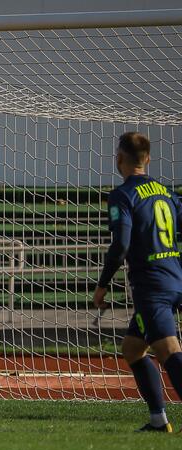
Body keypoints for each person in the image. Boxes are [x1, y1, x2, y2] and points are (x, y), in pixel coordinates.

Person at [93, 132, 182, 432]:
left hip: (151, 285)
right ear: (148, 159)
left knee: (169, 350)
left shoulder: (123, 194)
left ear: (119, 158)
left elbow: (121, 245)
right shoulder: (166, 192)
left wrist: (102, 283)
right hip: (174, 275)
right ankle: (158, 420)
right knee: (133, 348)